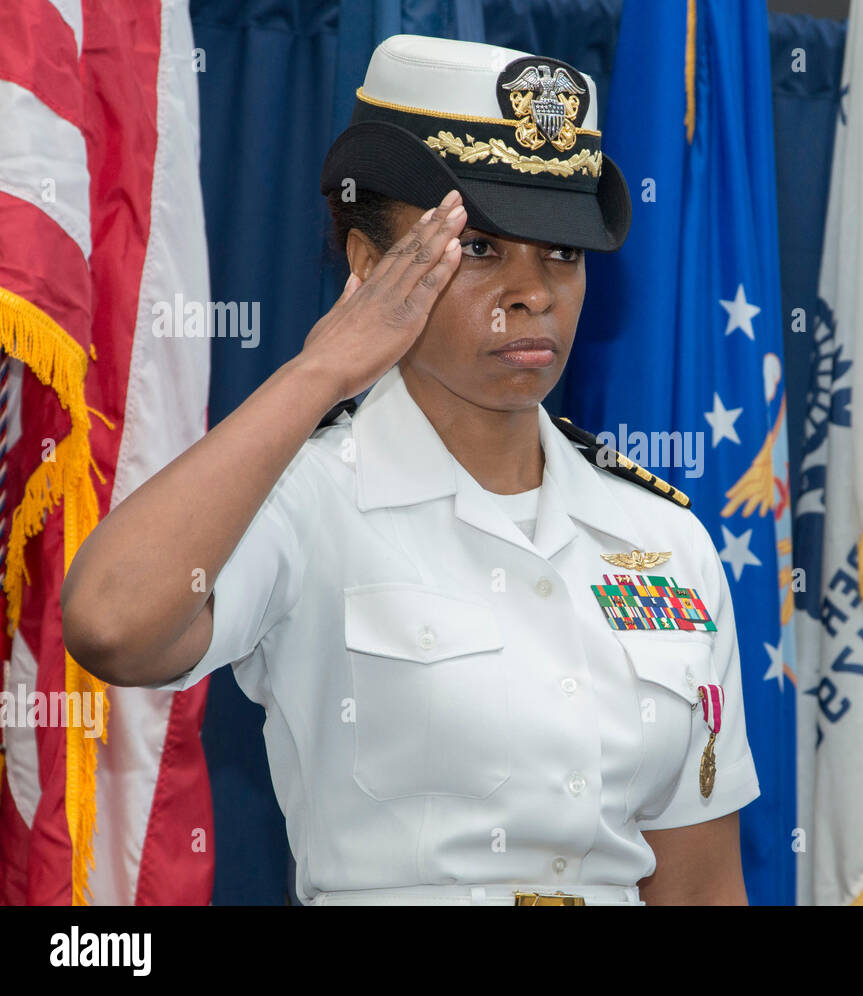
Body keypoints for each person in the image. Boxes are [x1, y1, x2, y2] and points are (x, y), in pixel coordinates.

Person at [61, 34, 760, 906]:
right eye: (480, 250)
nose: (533, 291)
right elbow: (110, 623)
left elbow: (699, 891)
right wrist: (321, 372)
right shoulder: (307, 499)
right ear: (369, 262)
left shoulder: (663, 538)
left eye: (562, 253)